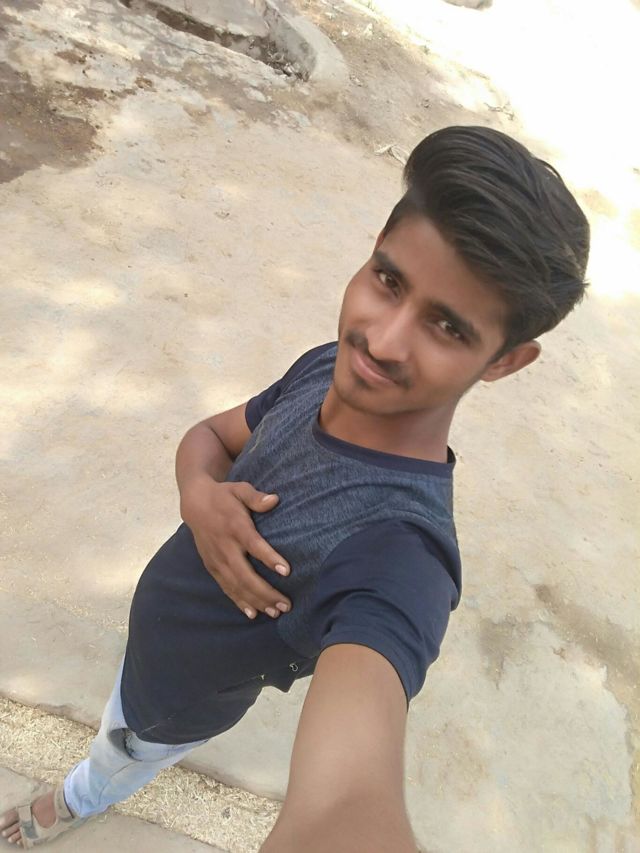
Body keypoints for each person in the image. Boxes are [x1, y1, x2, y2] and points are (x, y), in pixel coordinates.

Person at [1, 125, 589, 850]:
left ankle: (74, 799)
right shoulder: (326, 366)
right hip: (155, 639)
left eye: (446, 326)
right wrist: (198, 494)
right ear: (375, 248)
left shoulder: (400, 555)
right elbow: (213, 435)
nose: (382, 340)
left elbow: (346, 802)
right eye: (389, 281)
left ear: (505, 361)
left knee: (120, 753)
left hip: (172, 702)